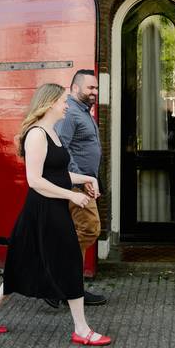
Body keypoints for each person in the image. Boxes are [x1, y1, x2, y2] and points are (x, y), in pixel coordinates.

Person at [0, 83, 112, 346]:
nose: (67, 105)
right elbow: (35, 181)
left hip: (52, 207)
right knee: (70, 261)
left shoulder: (52, 132)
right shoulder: (37, 134)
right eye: (63, 101)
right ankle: (81, 330)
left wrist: (85, 179)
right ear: (49, 104)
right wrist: (72, 195)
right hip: (43, 210)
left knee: (25, 264)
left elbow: (57, 174)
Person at [44, 69, 107, 308]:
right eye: (91, 88)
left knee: (79, 232)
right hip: (76, 185)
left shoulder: (83, 112)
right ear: (76, 88)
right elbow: (62, 149)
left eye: (96, 88)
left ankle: (70, 286)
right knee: (89, 229)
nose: (95, 92)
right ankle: (57, 281)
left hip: (85, 183)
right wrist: (82, 180)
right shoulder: (70, 113)